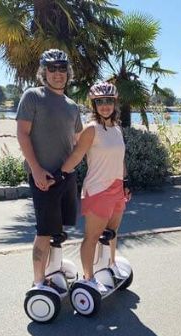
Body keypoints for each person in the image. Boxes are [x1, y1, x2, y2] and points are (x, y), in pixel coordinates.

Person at [16, 49, 82, 289]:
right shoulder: (33, 96)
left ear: (68, 73)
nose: (57, 73)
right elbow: (22, 133)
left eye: (62, 68)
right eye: (52, 68)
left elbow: (78, 143)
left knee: (59, 228)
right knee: (44, 231)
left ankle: (54, 268)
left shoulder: (73, 106)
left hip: (66, 176)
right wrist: (35, 169)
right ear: (44, 72)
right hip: (43, 176)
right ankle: (38, 281)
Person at [61, 82, 131, 293]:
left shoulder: (117, 128)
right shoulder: (91, 129)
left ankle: (110, 265)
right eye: (100, 102)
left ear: (114, 103)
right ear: (94, 105)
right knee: (92, 237)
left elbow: (121, 158)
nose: (105, 106)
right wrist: (60, 174)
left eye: (108, 101)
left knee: (112, 231)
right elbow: (76, 155)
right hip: (98, 190)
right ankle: (89, 277)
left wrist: (126, 181)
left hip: (117, 188)